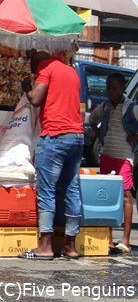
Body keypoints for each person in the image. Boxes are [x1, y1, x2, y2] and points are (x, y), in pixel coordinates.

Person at [19, 50, 84, 260]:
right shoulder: (71, 71)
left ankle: (45, 246)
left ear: (37, 65)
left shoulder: (46, 69)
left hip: (54, 136)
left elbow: (36, 99)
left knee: (46, 191)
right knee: (71, 189)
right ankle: (71, 245)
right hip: (76, 137)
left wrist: (27, 88)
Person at [88, 72, 138, 253]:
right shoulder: (106, 107)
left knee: (126, 196)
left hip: (124, 158)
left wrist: (136, 137)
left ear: (122, 89)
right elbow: (92, 119)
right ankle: (108, 238)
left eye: (114, 88)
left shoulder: (131, 107)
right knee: (108, 197)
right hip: (107, 156)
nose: (110, 91)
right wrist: (99, 134)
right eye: (108, 88)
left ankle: (125, 239)